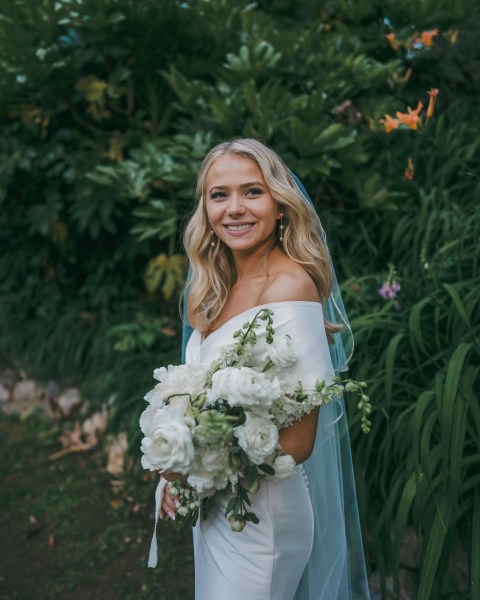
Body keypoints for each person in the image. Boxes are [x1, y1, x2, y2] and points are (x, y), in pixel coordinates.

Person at [159, 139, 370, 599]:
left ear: (281, 204)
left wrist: (194, 467)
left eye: (252, 192)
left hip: (264, 520)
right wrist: (171, 459)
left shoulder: (289, 287)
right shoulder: (215, 289)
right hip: (223, 507)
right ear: (206, 208)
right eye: (219, 195)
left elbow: (298, 441)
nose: (234, 208)